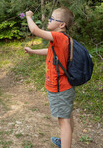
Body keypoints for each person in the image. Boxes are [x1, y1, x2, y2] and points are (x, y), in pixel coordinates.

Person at [23, 8, 75, 148]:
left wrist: (28, 16)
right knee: (67, 117)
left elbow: (34, 30)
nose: (49, 20)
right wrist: (33, 51)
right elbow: (50, 51)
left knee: (64, 121)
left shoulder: (58, 36)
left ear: (61, 24)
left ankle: (65, 143)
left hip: (59, 88)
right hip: (65, 86)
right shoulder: (64, 39)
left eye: (52, 19)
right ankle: (65, 141)